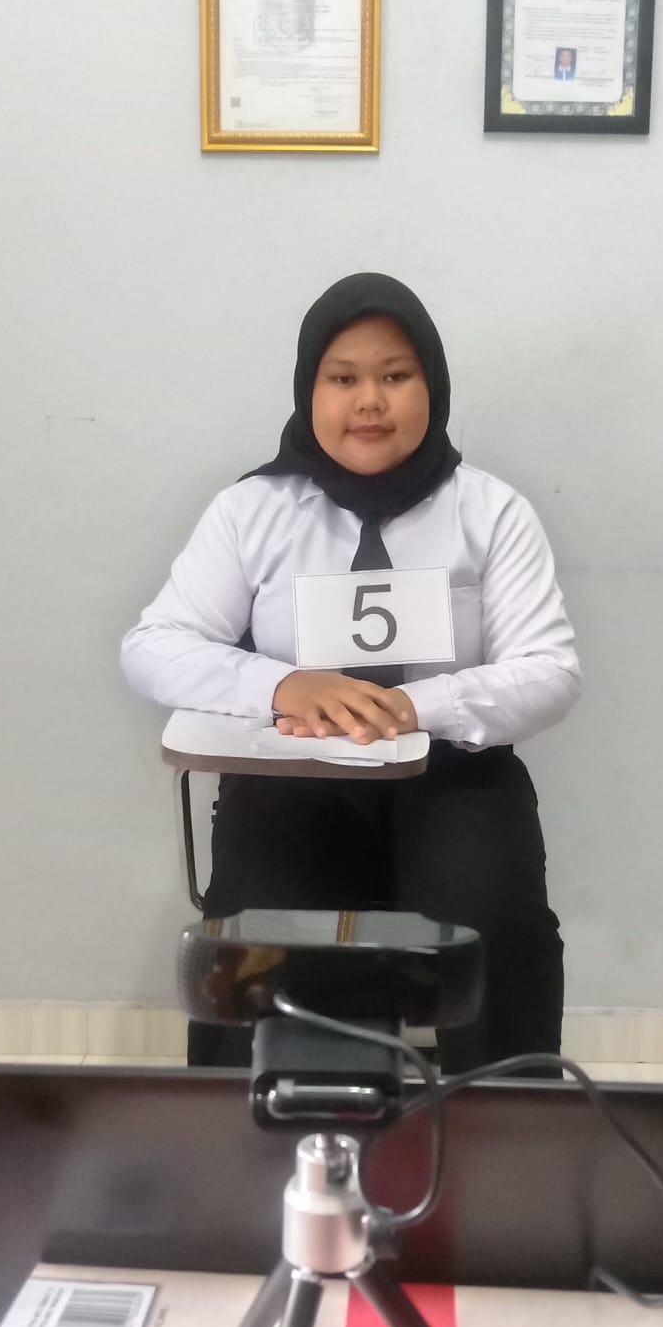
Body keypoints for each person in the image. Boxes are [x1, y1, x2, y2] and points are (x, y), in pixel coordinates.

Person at [121, 274, 581, 1073]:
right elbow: (153, 645)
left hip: (453, 776)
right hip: (292, 778)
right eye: (343, 378)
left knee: (496, 927)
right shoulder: (251, 511)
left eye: (395, 376)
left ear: (432, 387)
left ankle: (509, 1128)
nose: (370, 400)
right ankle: (242, 1134)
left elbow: (549, 670)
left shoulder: (492, 512)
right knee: (255, 940)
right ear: (310, 390)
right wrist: (281, 686)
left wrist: (414, 706)